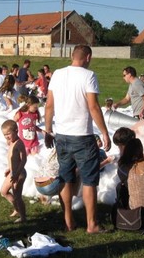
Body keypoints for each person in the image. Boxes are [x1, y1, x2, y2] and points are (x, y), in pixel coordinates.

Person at [44, 44, 111, 233]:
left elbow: (49, 105)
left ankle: (68, 221)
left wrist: (48, 130)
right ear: (88, 57)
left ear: (72, 56)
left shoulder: (57, 74)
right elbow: (93, 107)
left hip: (62, 135)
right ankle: (92, 224)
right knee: (89, 180)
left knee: (65, 178)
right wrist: (105, 132)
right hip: (82, 136)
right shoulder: (88, 76)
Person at [0, 120, 27, 223]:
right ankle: (17, 209)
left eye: (8, 134)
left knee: (17, 196)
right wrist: (10, 169)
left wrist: (16, 173)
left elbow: (23, 160)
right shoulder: (11, 142)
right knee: (4, 191)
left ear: (16, 131)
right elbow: (13, 159)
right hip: (13, 172)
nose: (6, 136)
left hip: (19, 174)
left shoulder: (19, 144)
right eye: (4, 135)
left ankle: (23, 217)